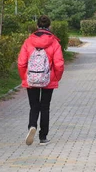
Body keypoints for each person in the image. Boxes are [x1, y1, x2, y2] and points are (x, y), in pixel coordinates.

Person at [18, 15, 64, 146]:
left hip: (31, 78)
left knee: (34, 106)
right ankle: (43, 137)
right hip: (48, 79)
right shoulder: (54, 42)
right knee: (45, 107)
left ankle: (32, 125)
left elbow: (21, 63)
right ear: (49, 26)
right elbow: (59, 64)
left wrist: (24, 77)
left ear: (37, 26)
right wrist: (56, 77)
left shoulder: (28, 41)